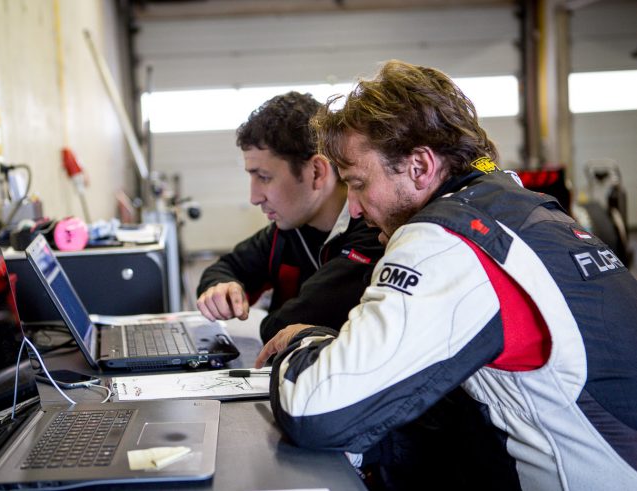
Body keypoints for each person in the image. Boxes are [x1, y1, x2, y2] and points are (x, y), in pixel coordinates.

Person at [257, 60, 637, 490]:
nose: (356, 209)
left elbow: (315, 409)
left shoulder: (449, 236)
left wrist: (302, 342)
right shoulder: (526, 209)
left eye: (358, 183)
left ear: (419, 167)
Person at [196, 91, 385, 343]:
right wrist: (221, 289)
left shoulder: (374, 232)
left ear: (316, 172)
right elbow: (225, 268)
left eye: (263, 177)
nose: (254, 197)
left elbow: (292, 321)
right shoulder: (288, 230)